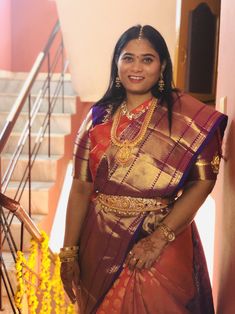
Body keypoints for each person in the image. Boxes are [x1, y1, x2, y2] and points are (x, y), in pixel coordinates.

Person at [59, 25, 227, 314]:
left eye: (147, 59)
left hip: (162, 237)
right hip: (98, 239)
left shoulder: (188, 118)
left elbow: (202, 183)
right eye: (128, 58)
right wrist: (69, 253)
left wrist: (158, 239)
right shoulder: (96, 117)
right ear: (117, 62)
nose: (136, 68)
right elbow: (81, 186)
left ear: (162, 65)